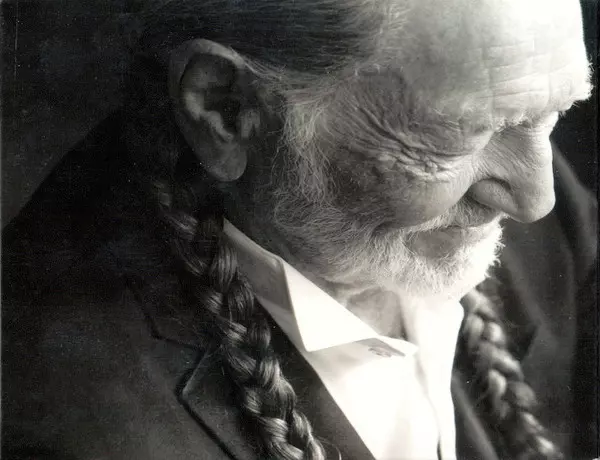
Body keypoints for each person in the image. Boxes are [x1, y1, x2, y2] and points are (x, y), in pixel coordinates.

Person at [2, 0, 597, 459]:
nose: (537, 199)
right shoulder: (57, 418)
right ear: (227, 108)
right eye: (457, 136)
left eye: (553, 115)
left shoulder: (530, 190)